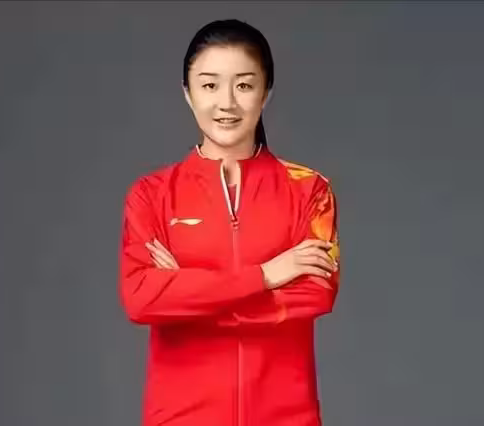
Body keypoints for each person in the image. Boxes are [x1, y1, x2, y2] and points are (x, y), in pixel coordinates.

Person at [119, 19, 341, 426]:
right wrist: (266, 275)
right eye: (209, 85)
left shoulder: (309, 191)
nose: (227, 103)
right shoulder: (151, 195)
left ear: (266, 92)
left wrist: (186, 297)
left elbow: (315, 294)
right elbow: (141, 298)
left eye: (243, 85)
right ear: (187, 93)